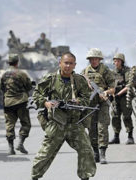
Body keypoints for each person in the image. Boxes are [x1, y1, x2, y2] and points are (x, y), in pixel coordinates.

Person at [31, 52, 96, 180]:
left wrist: (78, 102)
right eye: (65, 63)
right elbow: (36, 94)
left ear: (75, 65)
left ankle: (85, 177)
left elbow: (86, 99)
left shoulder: (79, 80)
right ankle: (34, 177)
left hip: (74, 124)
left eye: (71, 63)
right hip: (56, 123)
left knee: (86, 150)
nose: (67, 66)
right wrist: (46, 103)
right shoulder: (51, 79)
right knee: (45, 154)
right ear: (60, 63)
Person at [81, 48, 115, 164]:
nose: (94, 61)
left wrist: (105, 92)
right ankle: (95, 152)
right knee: (91, 128)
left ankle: (102, 153)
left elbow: (112, 88)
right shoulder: (84, 72)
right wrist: (87, 87)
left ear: (100, 59)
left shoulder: (105, 71)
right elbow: (78, 87)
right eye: (92, 59)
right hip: (90, 104)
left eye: (96, 59)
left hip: (102, 103)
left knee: (102, 127)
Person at [0, 53, 33, 155]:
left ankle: (11, 148)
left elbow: (2, 88)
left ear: (8, 62)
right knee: (26, 123)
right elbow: (28, 87)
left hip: (8, 103)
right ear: (17, 62)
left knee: (9, 125)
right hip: (21, 101)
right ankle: (20, 143)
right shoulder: (22, 74)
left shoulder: (4, 74)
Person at [109, 53, 134, 145]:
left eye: (118, 61)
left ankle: (130, 136)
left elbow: (129, 85)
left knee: (126, 116)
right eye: (115, 61)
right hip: (115, 96)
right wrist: (111, 94)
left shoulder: (127, 71)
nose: (116, 63)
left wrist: (119, 93)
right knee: (115, 116)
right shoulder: (112, 72)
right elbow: (110, 84)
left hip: (124, 96)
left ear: (122, 62)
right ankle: (116, 137)